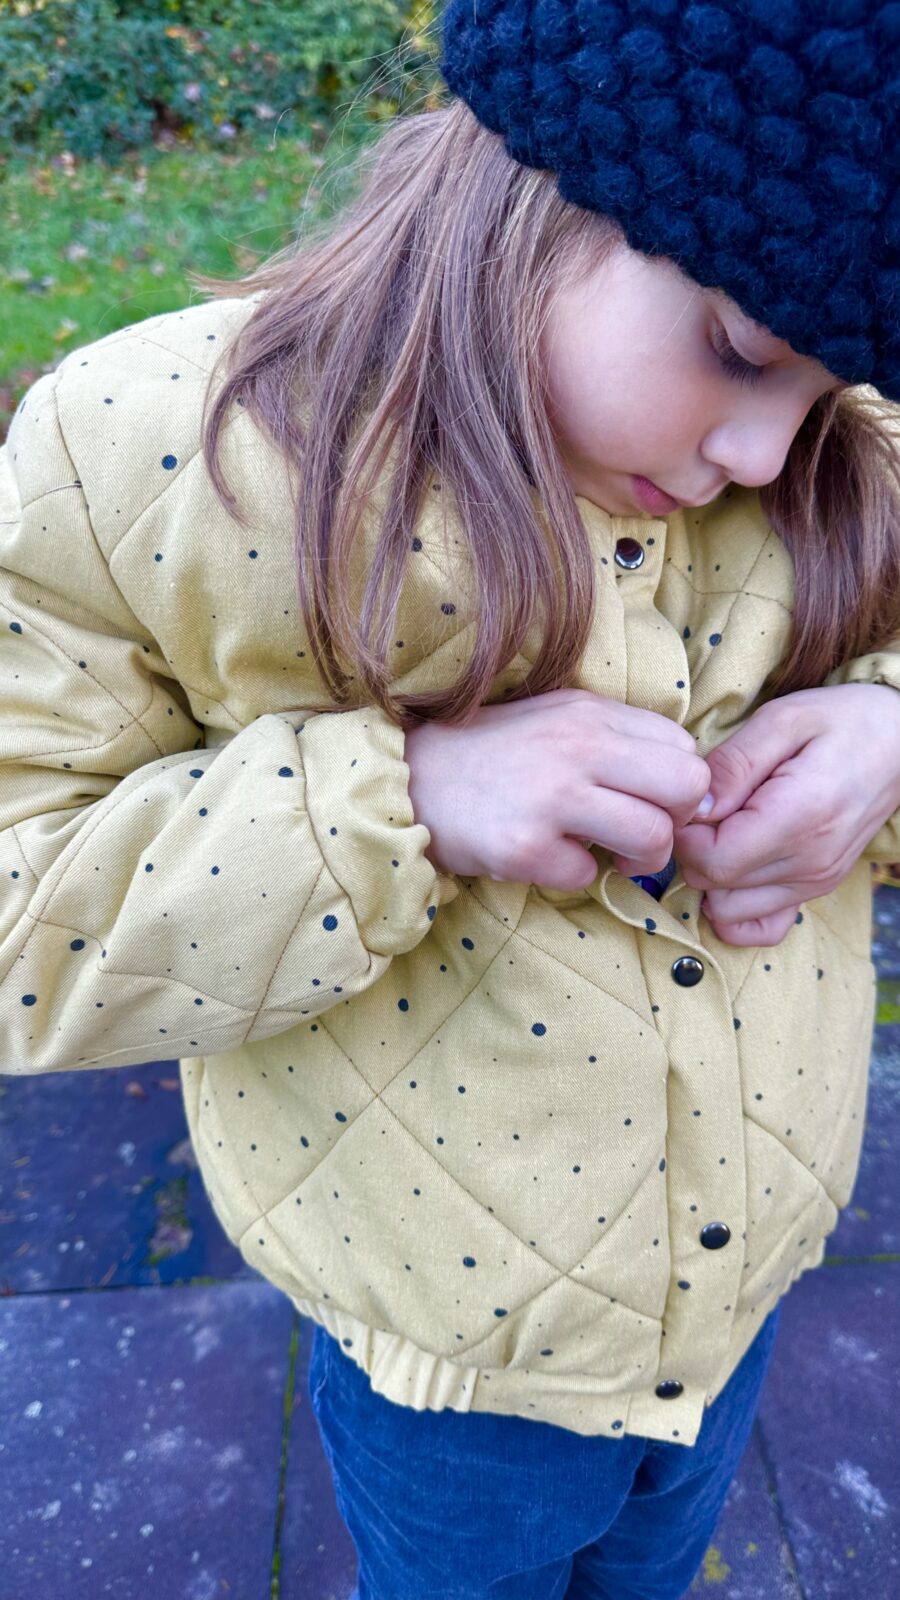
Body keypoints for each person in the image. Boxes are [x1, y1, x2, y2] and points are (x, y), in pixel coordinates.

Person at [2, 3, 899, 1596]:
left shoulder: (847, 456)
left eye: (832, 390)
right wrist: (395, 802)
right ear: (538, 188)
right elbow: (24, 919)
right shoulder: (153, 463)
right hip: (443, 1357)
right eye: (746, 352)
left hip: (745, 1294)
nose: (770, 449)